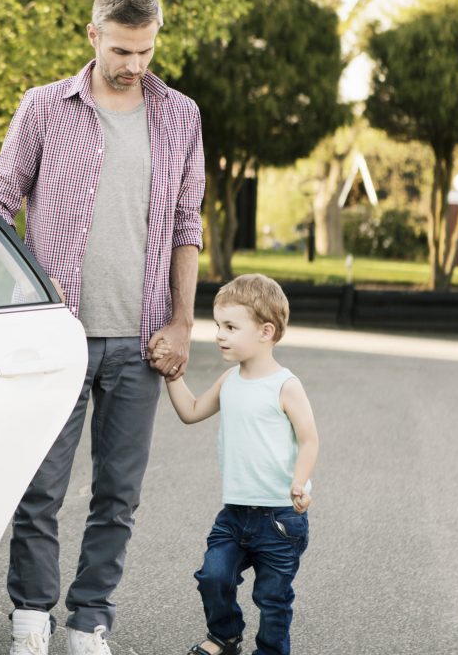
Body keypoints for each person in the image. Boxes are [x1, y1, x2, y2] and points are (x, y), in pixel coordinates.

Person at [0, 0, 206, 655]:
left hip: (142, 340)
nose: (134, 64)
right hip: (58, 338)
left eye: (145, 51)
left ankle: (89, 623)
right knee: (41, 489)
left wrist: (183, 323)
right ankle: (30, 620)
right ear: (93, 36)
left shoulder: (181, 115)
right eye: (121, 50)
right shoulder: (44, 107)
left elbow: (186, 223)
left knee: (118, 496)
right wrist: (29, 277)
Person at [163, 274, 320, 655]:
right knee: (213, 576)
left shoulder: (285, 385)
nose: (219, 335)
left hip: (280, 518)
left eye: (231, 327)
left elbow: (309, 438)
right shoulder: (229, 380)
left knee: (272, 597)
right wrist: (172, 374)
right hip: (235, 514)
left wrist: (300, 483)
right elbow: (191, 411)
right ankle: (225, 636)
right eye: (218, 325)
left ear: (266, 331)